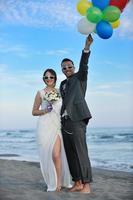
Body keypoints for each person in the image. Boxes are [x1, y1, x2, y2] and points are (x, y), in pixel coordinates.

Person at [60, 34, 93, 193]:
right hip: (65, 122)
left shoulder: (80, 77)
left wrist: (86, 48)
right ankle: (78, 182)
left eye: (69, 66)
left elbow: (84, 64)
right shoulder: (62, 84)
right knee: (70, 154)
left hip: (77, 120)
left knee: (81, 153)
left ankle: (86, 185)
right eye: (64, 68)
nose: (67, 69)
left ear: (74, 67)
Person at [32, 69, 71, 192]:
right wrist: (45, 110)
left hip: (57, 126)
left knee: (56, 155)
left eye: (51, 77)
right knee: (48, 156)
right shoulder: (40, 93)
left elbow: (64, 108)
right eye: (46, 77)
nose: (49, 79)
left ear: (55, 78)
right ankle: (51, 182)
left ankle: (58, 183)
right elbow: (34, 111)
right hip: (44, 126)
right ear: (44, 79)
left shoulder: (60, 92)